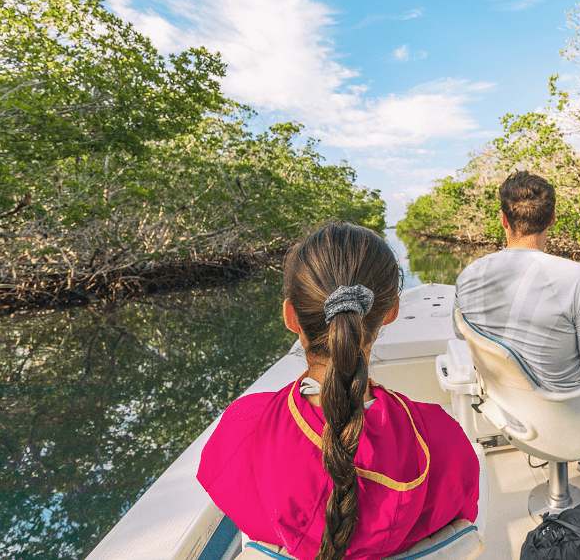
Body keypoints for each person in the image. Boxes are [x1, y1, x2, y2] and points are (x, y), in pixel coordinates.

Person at [198, 222, 479, 560]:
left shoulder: (244, 429)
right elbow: (463, 513)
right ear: (391, 312)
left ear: (291, 316)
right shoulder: (440, 438)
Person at [454, 171, 580, 503]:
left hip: (513, 416)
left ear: (503, 219)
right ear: (552, 218)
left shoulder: (468, 275)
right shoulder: (575, 277)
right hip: (572, 419)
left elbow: (461, 335)